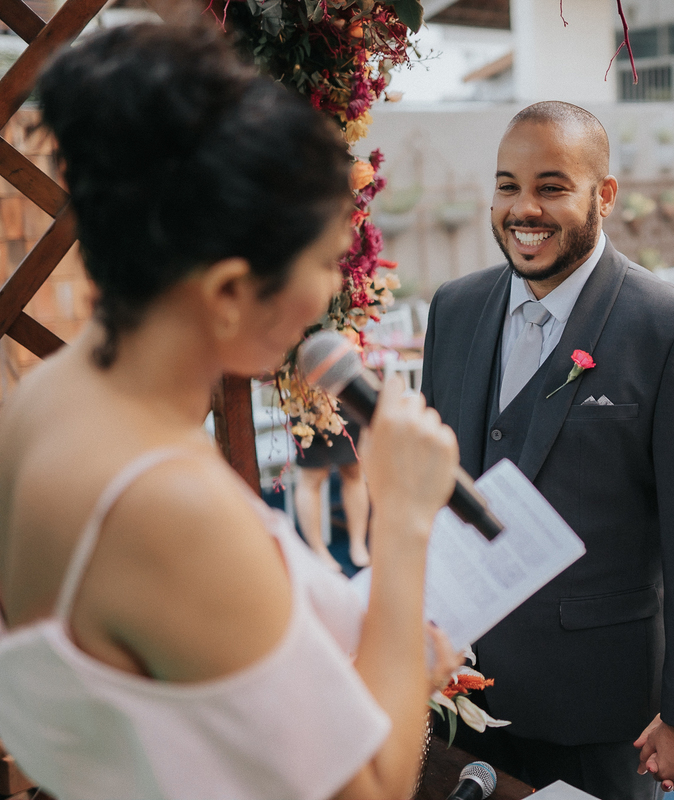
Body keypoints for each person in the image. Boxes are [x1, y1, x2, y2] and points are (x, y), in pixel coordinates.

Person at [0, 25, 461, 800]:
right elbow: (373, 791)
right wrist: (406, 526)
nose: (332, 291)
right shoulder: (170, 508)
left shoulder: (42, 401)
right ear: (228, 293)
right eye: (326, 262)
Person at [419, 102, 674, 799]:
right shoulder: (454, 308)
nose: (524, 208)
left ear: (605, 194)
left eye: (552, 186)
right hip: (457, 701)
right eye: (507, 186)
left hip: (599, 713)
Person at [294, 419, 371, 570]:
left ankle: (358, 544)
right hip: (308, 410)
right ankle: (318, 551)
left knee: (353, 469)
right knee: (312, 475)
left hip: (344, 408)